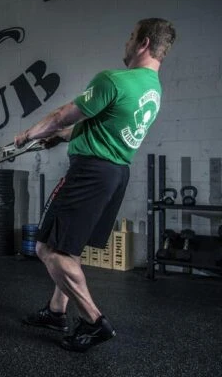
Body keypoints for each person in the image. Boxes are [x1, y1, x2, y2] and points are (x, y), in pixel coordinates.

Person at [14, 18, 176, 352]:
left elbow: (63, 115)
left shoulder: (113, 79)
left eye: (131, 36)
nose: (126, 42)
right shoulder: (153, 89)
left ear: (144, 43)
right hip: (115, 172)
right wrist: (61, 138)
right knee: (70, 249)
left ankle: (93, 320)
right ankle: (56, 312)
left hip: (90, 172)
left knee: (47, 249)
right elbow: (102, 125)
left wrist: (29, 134)